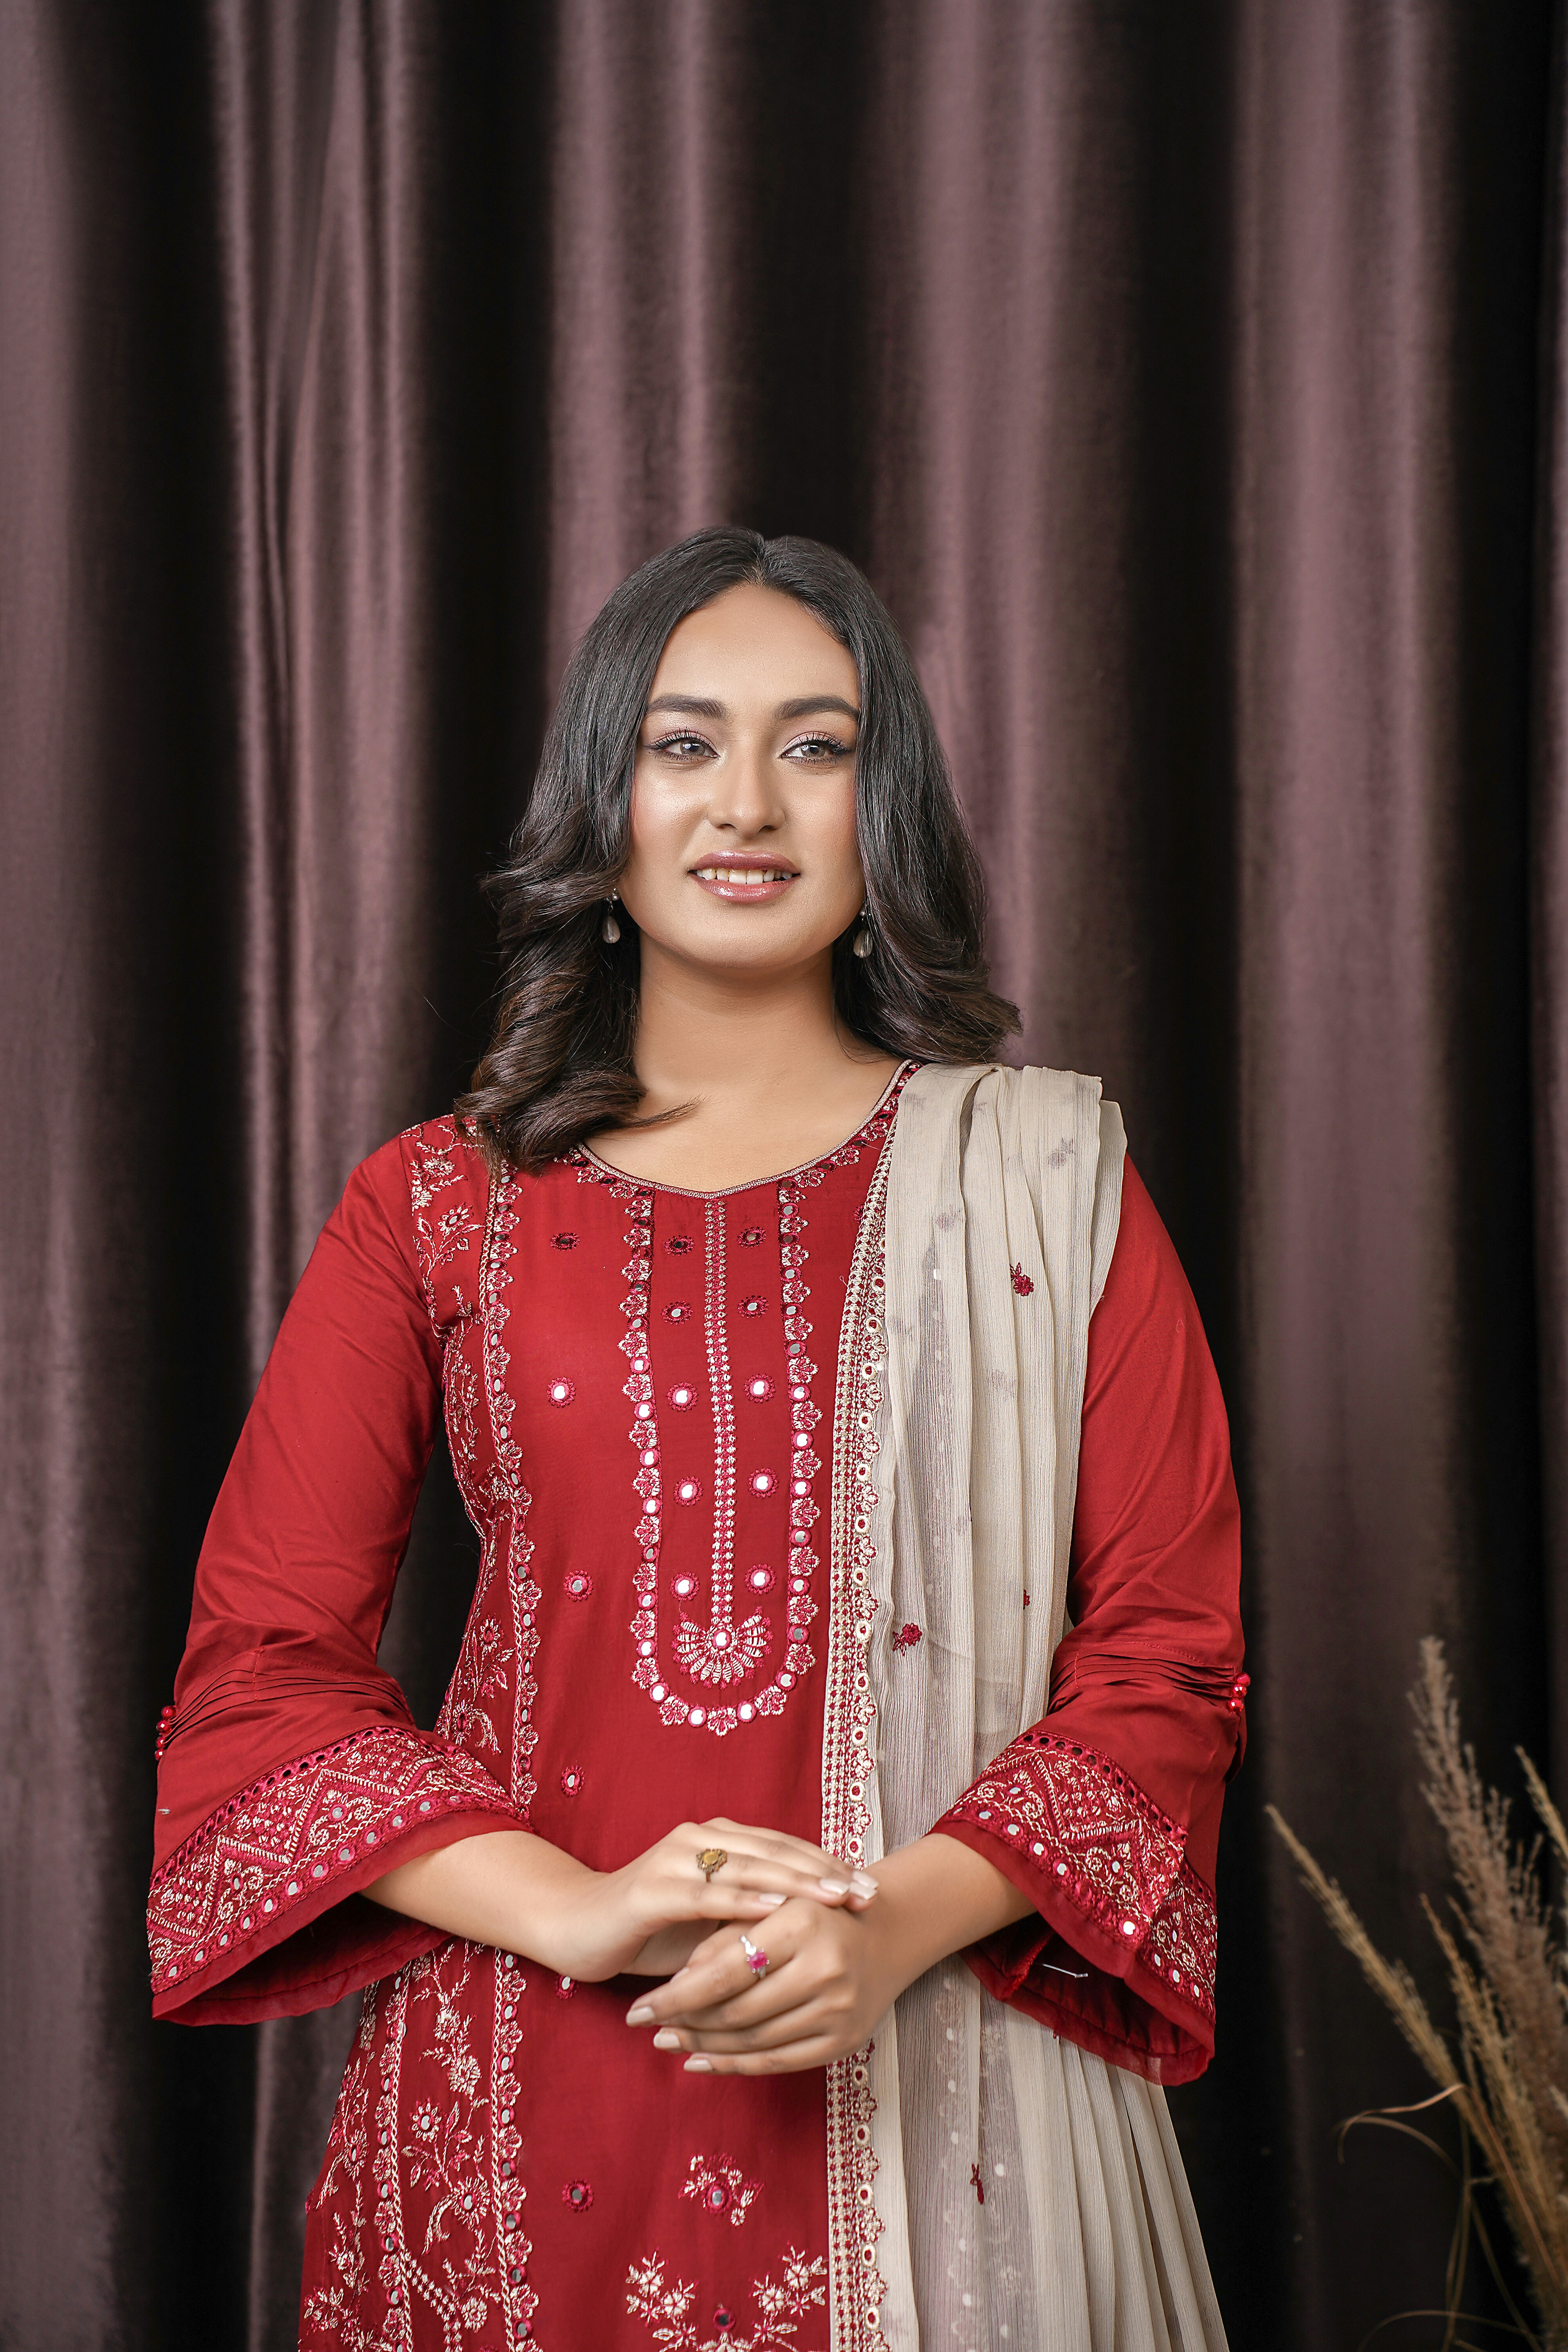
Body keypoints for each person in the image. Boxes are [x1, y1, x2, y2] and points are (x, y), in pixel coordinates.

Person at [148, 528, 1245, 2352]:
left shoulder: (1043, 1180)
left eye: (816, 746)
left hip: (935, 2068)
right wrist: (577, 1914)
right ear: (607, 806)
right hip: (516, 2094)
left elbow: (1169, 1663)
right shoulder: (433, 1207)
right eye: (682, 744)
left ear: (883, 815)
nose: (746, 803)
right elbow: (258, 1683)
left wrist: (893, 1929)